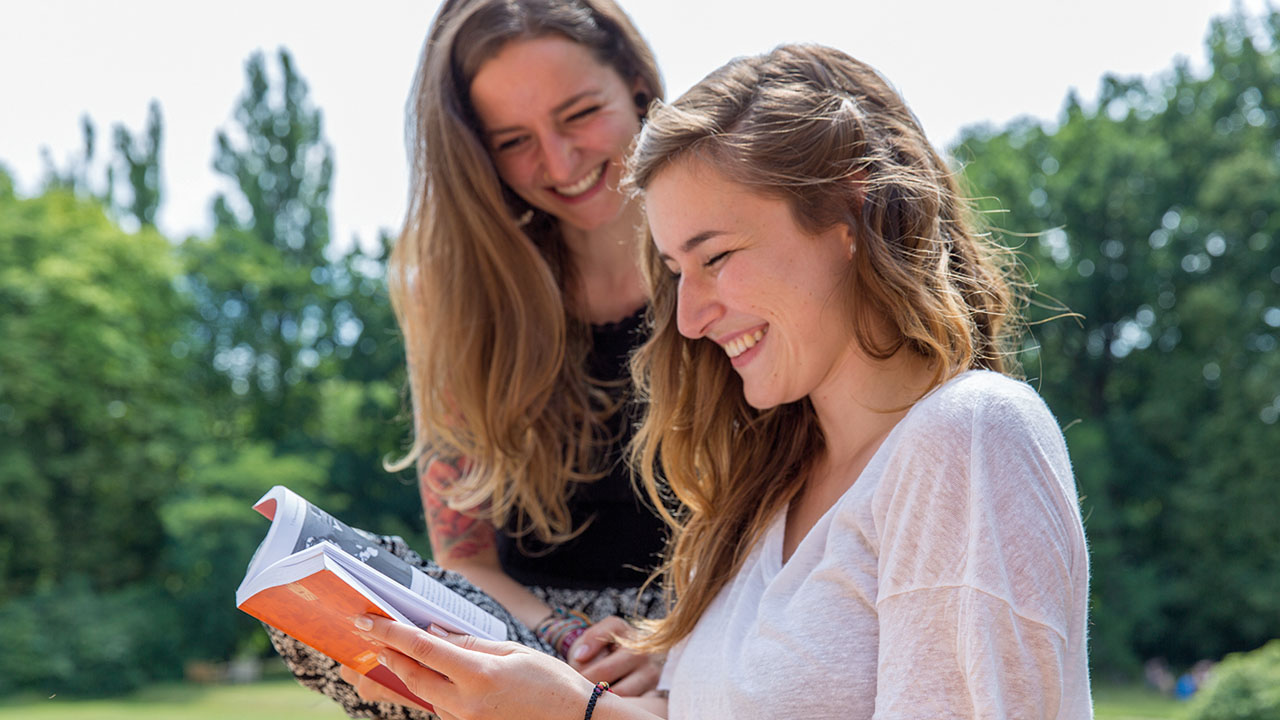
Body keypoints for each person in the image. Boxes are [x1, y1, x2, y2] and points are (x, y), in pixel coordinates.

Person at [351, 43, 1093, 719]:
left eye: (717, 258)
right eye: (675, 272)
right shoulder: (764, 500)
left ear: (848, 208)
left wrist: (570, 716)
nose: (688, 318)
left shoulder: (966, 440)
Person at [265, 1, 669, 717]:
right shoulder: (461, 305)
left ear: (637, 84)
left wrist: (675, 632)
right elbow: (467, 555)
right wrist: (563, 638)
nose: (559, 161)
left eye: (579, 114)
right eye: (513, 140)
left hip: (719, 606)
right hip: (537, 632)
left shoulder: (721, 257)